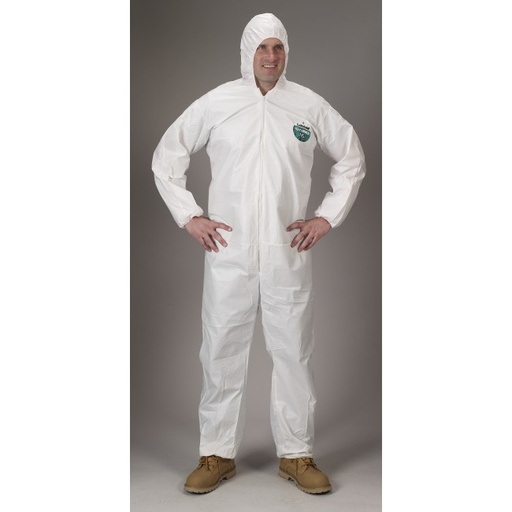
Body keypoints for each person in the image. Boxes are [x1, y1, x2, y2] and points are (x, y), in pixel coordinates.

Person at [152, 13, 365, 495]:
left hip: (286, 249)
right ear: (247, 52)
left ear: (286, 52)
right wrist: (190, 216)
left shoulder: (307, 105)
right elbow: (166, 158)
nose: (270, 57)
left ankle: (296, 454)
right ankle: (216, 454)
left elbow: (352, 159)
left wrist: (326, 217)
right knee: (220, 348)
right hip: (229, 250)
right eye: (262, 48)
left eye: (278, 47)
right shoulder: (218, 102)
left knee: (293, 351)